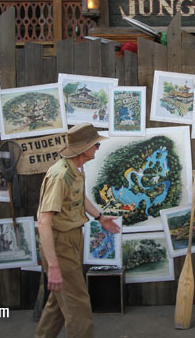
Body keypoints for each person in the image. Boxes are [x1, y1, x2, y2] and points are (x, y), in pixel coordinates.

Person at [35, 123, 120, 338]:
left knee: (59, 303)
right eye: (96, 145)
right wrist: (53, 265)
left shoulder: (75, 170)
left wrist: (100, 217)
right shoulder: (60, 175)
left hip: (71, 240)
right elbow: (44, 221)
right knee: (79, 307)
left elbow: (78, 198)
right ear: (84, 149)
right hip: (60, 244)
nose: (97, 149)